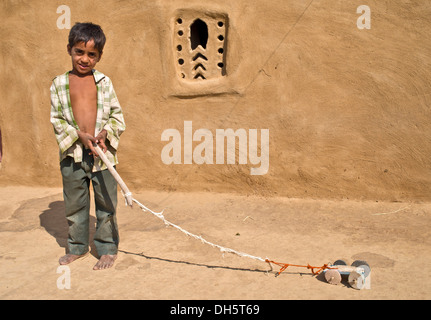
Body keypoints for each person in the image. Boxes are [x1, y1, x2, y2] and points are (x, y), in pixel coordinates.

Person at [50, 22, 126, 270]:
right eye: (79, 52)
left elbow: (117, 116)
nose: (84, 59)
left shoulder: (104, 82)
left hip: (102, 154)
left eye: (91, 54)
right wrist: (78, 135)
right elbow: (57, 120)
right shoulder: (59, 84)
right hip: (72, 153)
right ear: (69, 49)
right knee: (75, 204)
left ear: (99, 56)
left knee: (106, 203)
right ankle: (77, 247)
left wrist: (105, 133)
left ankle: (107, 248)